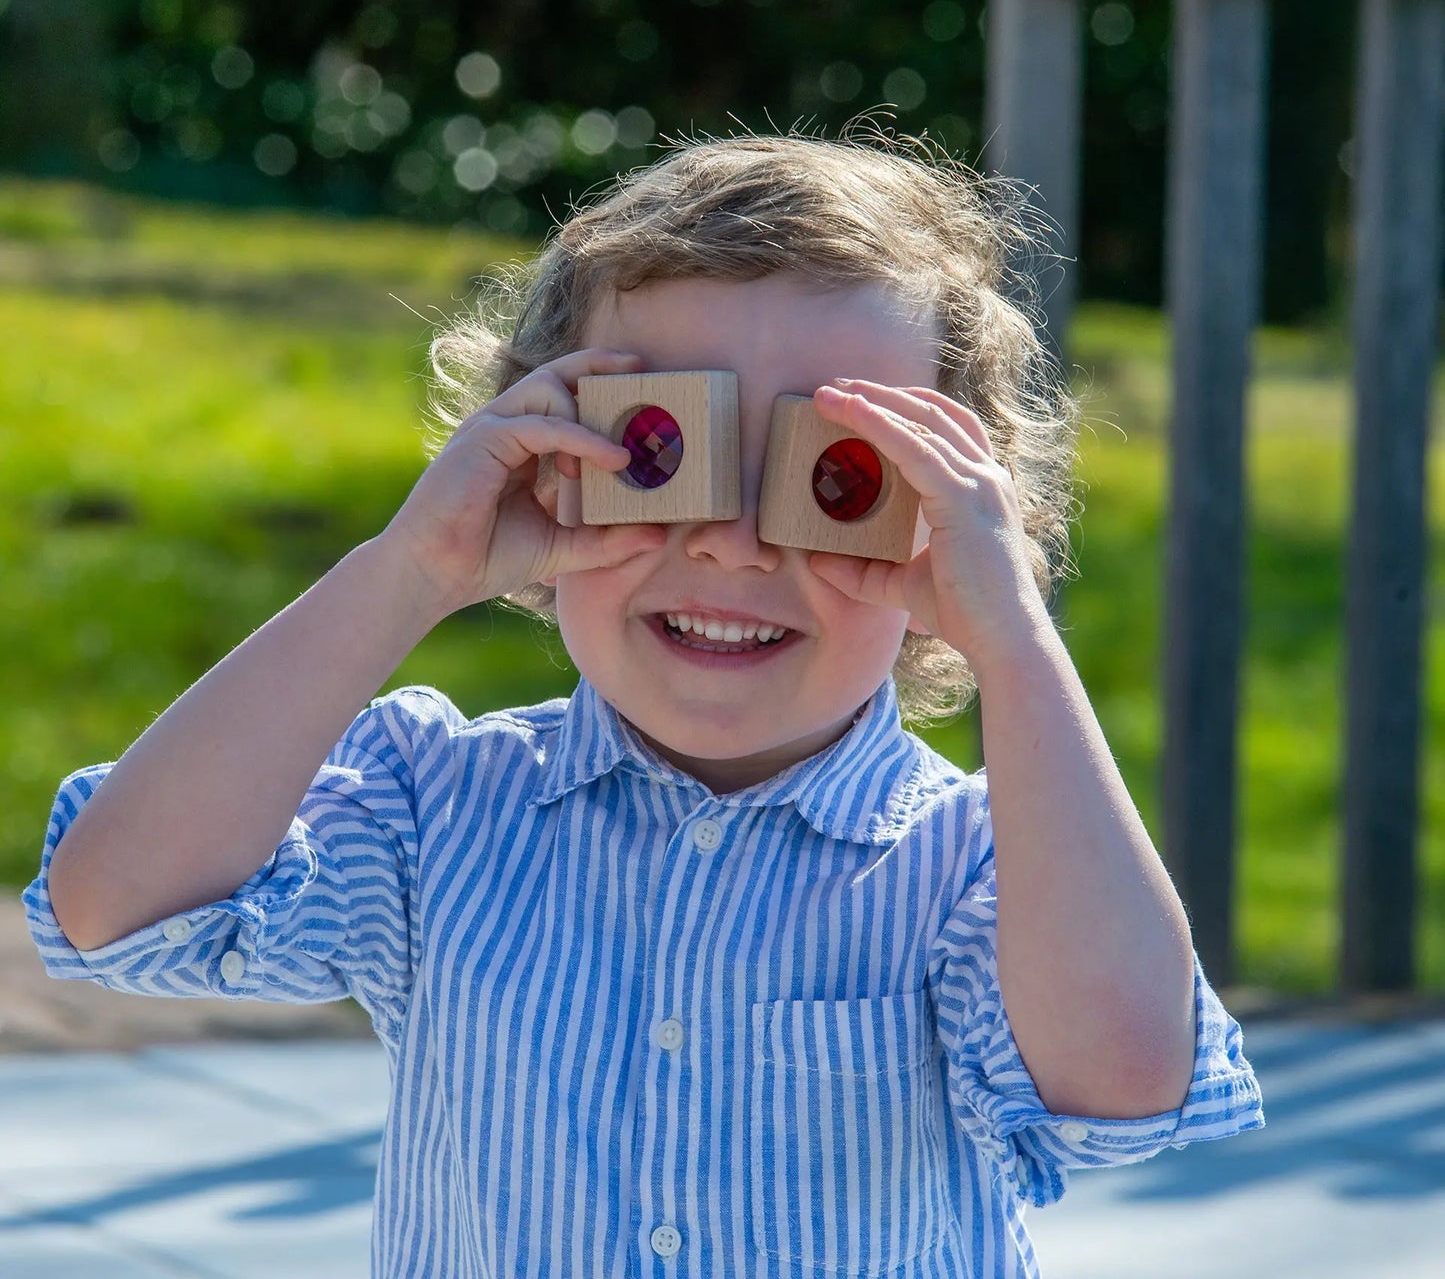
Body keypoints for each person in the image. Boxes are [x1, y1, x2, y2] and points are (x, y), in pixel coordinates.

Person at [26, 132, 1262, 1277]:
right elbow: (114, 906)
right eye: (662, 454)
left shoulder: (983, 869)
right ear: (543, 470)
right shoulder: (435, 804)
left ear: (958, 528)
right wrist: (413, 567)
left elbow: (1121, 1083)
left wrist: (1014, 639)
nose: (728, 548)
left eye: (834, 479)